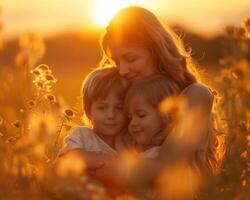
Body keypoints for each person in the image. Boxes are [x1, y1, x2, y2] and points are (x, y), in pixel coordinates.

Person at [94, 5, 225, 199]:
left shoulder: (196, 96)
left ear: (157, 51)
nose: (122, 70)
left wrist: (88, 159)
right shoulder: (126, 104)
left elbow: (164, 167)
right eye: (116, 62)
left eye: (131, 58)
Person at [57, 66, 133, 168]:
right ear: (88, 111)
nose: (111, 115)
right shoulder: (82, 135)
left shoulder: (130, 142)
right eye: (102, 108)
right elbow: (68, 157)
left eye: (119, 108)